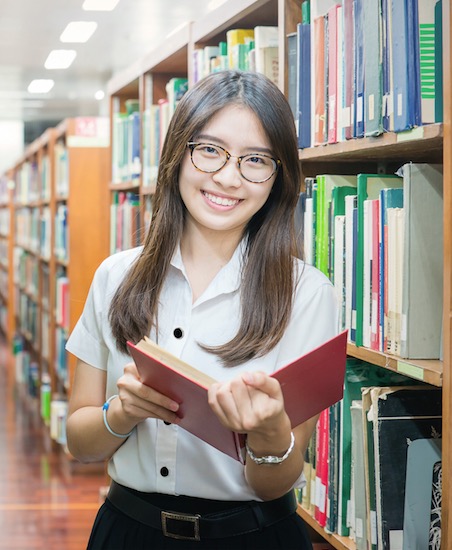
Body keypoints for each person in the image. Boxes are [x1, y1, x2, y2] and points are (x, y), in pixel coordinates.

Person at [65, 69, 339, 550]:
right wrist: (121, 413)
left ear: (278, 177)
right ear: (178, 153)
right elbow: (79, 442)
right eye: (210, 150)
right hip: (128, 532)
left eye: (255, 160)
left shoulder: (309, 295)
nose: (228, 178)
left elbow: (273, 484)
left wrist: (272, 436)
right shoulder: (114, 276)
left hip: (252, 537)